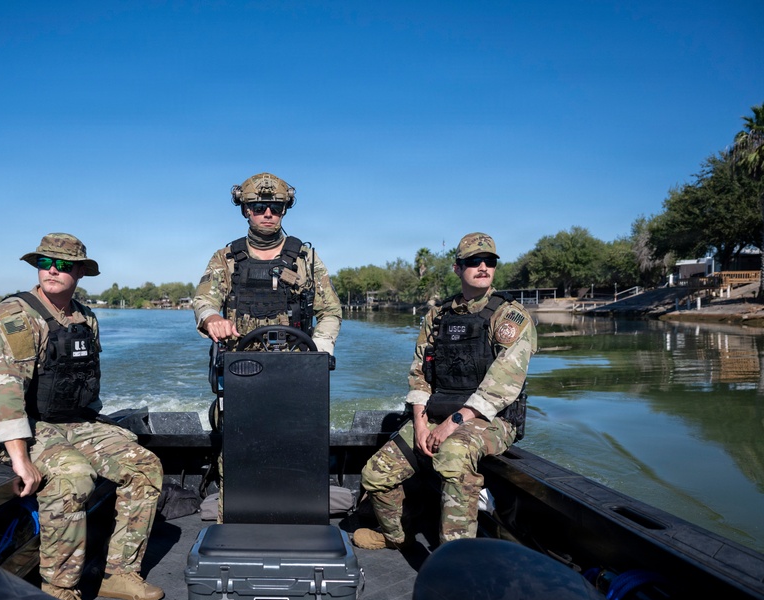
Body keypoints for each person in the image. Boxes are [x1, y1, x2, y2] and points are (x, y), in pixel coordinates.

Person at [0, 233, 164, 600]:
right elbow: (1, 392)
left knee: (144, 465)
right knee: (73, 477)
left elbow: (82, 384)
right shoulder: (15, 316)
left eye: (63, 264)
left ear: (79, 271)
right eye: (45, 262)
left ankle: (119, 572)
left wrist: (101, 431)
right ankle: (60, 591)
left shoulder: (85, 317)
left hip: (74, 422)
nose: (53, 270)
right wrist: (20, 459)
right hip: (23, 428)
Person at [352, 232, 537, 548]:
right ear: (457, 267)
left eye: (489, 261)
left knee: (452, 455)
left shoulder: (510, 316)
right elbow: (420, 374)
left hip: (492, 421)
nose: (482, 267)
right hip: (436, 415)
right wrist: (421, 424)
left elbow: (503, 385)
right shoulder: (437, 316)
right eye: (473, 261)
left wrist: (454, 422)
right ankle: (395, 536)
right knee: (375, 474)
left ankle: (456, 558)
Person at [192, 172, 342, 353]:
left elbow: (330, 311)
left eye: (276, 208)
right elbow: (204, 300)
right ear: (246, 210)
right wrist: (212, 318)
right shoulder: (225, 258)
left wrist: (321, 348)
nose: (268, 214)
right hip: (240, 362)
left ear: (284, 211)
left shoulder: (305, 258)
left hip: (295, 363)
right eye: (259, 207)